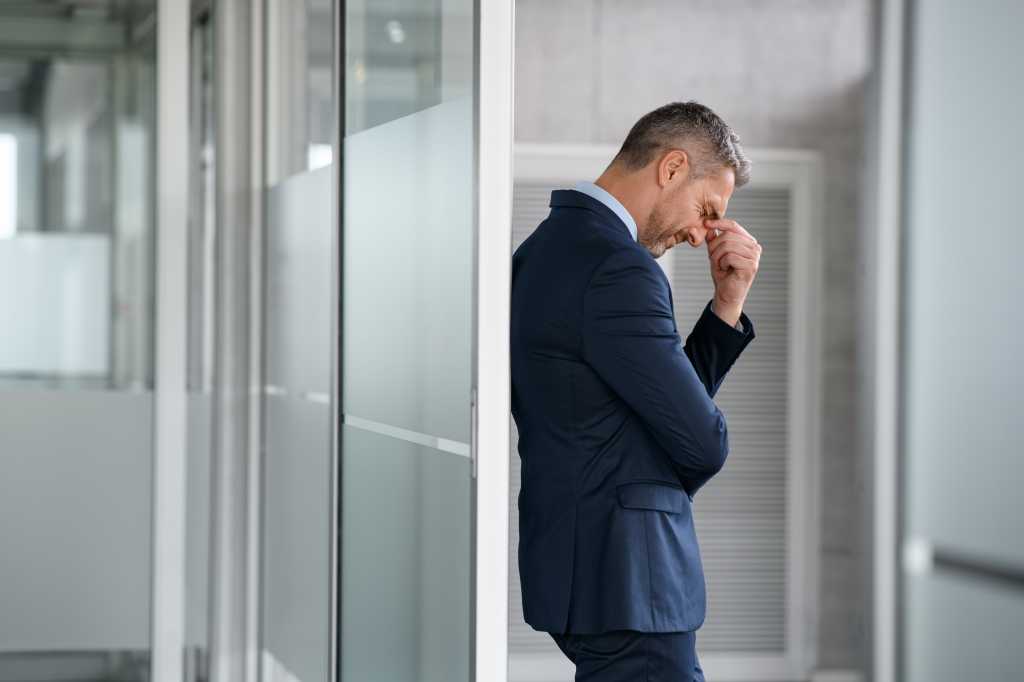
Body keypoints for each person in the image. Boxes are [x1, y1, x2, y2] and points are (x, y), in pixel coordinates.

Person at [510, 101, 761, 681]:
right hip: (631, 584)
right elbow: (702, 441)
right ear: (672, 168)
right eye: (707, 209)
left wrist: (728, 304)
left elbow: (654, 411)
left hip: (589, 576)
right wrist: (683, 451)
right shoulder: (618, 268)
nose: (703, 235)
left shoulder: (545, 250)